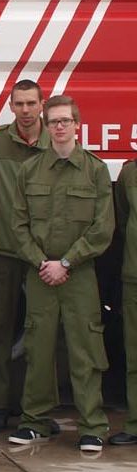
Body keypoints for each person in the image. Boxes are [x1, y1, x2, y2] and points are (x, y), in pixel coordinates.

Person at [8, 95, 113, 453]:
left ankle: (92, 426)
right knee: (38, 349)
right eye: (53, 121)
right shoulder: (30, 171)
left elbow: (103, 228)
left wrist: (66, 263)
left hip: (79, 276)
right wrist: (42, 262)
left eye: (65, 121)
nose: (59, 127)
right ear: (46, 125)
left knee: (86, 351)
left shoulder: (96, 171)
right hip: (40, 274)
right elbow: (17, 225)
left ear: (77, 125)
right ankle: (35, 421)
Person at [0, 80, 57, 433]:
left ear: (42, 105)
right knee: (0, 330)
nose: (25, 110)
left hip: (42, 256)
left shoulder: (55, 144)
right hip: (5, 253)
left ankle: (36, 411)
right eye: (19, 104)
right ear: (10, 106)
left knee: (42, 334)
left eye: (31, 103)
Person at [112, 153, 137, 446]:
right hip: (134, 276)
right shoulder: (129, 173)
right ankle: (134, 423)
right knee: (134, 356)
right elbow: (123, 221)